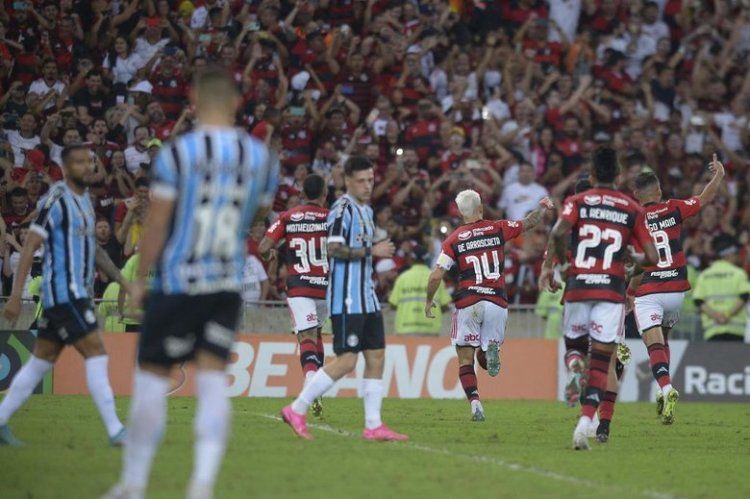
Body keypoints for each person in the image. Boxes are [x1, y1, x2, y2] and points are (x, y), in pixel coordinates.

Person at [104, 66, 279, 499]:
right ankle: (201, 486)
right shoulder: (260, 158)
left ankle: (134, 483)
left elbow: (158, 222)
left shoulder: (176, 153)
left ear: (194, 103)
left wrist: (141, 279)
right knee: (214, 379)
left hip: (179, 280)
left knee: (152, 377)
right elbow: (256, 216)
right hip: (225, 282)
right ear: (238, 103)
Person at [0, 143, 130, 447]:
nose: (89, 167)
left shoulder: (85, 201)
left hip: (75, 293)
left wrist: (124, 281)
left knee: (39, 363)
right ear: (68, 167)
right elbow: (31, 245)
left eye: (91, 162)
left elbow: (95, 250)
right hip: (65, 294)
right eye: (82, 162)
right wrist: (16, 296)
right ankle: (116, 431)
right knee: (96, 352)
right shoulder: (56, 200)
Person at [280, 156, 408, 442]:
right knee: (347, 361)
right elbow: (335, 250)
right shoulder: (341, 210)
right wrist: (371, 252)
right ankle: (296, 409)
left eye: (371, 180)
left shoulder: (367, 211)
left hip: (367, 296)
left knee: (376, 356)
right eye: (361, 180)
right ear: (348, 180)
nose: (367, 185)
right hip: (346, 297)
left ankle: (373, 425)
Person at [539, 147, 658, 450]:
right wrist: (632, 261)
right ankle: (584, 425)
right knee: (602, 366)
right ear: (618, 177)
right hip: (611, 292)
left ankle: (574, 363)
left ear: (591, 177)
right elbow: (652, 257)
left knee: (576, 351)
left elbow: (556, 234)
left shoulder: (576, 201)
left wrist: (555, 269)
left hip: (578, 288)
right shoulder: (632, 209)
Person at [426, 190, 553, 421]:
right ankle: (488, 350)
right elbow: (529, 222)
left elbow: (436, 276)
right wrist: (543, 207)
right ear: (481, 208)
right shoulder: (498, 228)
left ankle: (475, 404)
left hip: (469, 301)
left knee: (466, 358)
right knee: (484, 359)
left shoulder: (453, 239)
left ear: (459, 212)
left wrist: (428, 300)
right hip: (496, 302)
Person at [627, 155, 725, 424]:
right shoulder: (673, 208)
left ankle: (667, 387)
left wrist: (629, 293)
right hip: (677, 290)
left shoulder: (635, 220)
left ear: (636, 195)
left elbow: (638, 263)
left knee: (653, 343)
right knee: (664, 340)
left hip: (650, 290)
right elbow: (704, 198)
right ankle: (662, 389)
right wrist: (719, 175)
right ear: (658, 191)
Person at [259, 174, 329, 417]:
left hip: (299, 286)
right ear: (324, 194)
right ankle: (316, 387)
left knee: (306, 336)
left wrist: (271, 256)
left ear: (302, 194)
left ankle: (310, 383)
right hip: (325, 287)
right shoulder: (331, 218)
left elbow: (263, 247)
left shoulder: (287, 217)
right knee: (317, 332)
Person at [692, 234, 750, 343]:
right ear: (728, 255)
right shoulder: (739, 273)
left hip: (712, 330)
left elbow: (698, 301)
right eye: (735, 254)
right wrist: (727, 315)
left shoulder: (704, 275)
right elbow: (744, 296)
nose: (737, 257)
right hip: (735, 329)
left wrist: (716, 317)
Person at [389, 246, 451, 336]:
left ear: (411, 259)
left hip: (405, 330)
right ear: (427, 259)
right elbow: (445, 306)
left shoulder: (402, 278)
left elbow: (393, 304)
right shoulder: (436, 278)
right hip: (430, 330)